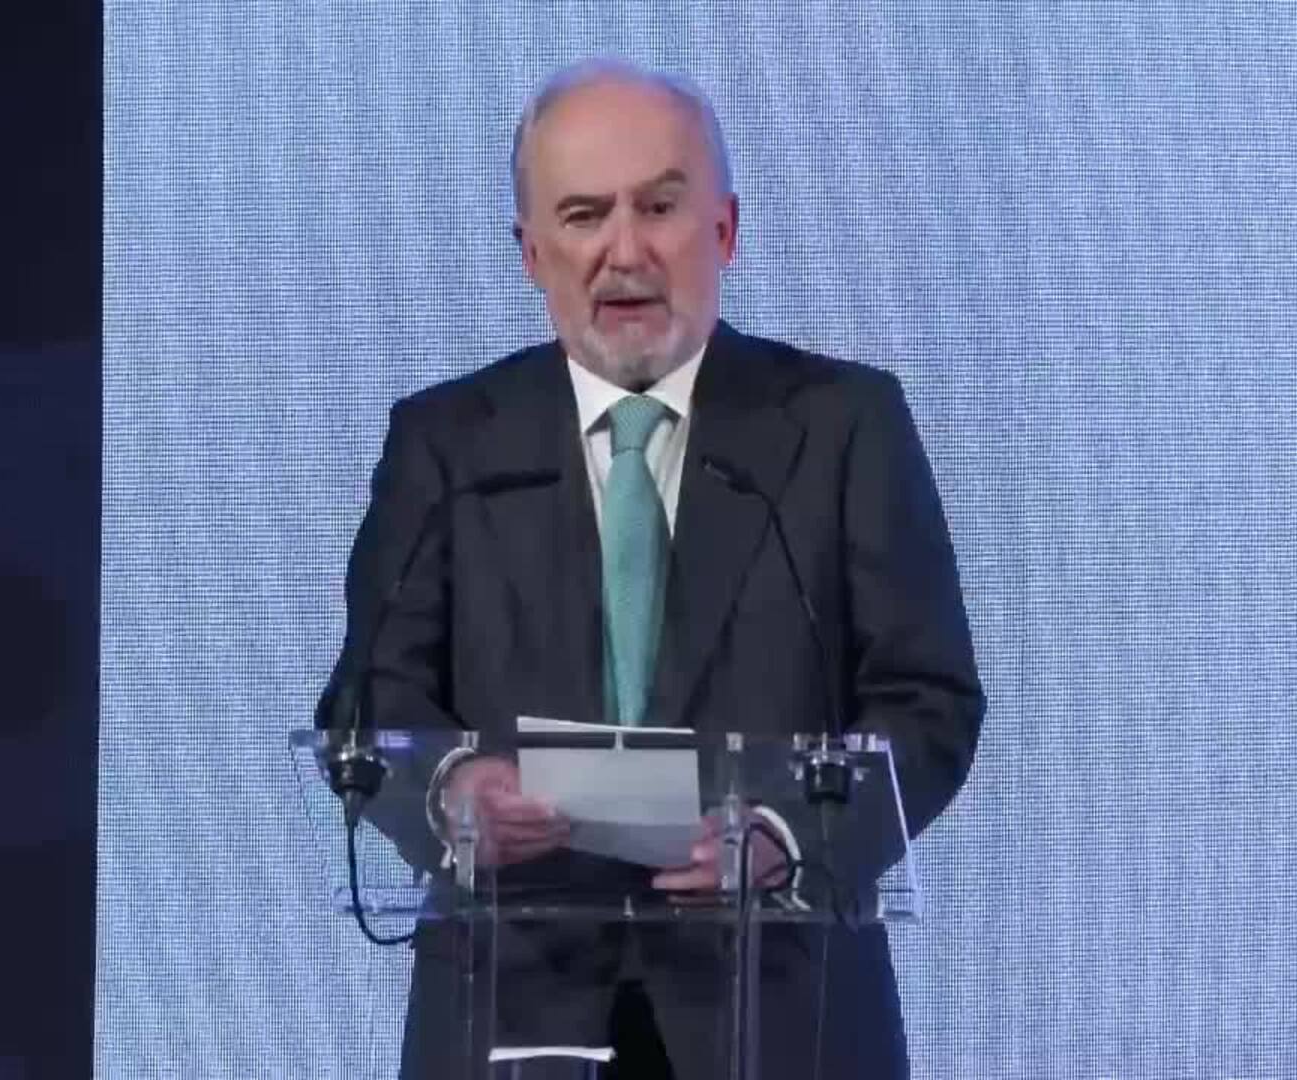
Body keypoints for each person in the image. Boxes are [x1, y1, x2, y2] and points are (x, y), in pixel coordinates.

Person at [316, 58, 984, 1080]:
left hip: (782, 1014)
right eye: (584, 215)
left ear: (724, 231)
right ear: (531, 252)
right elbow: (367, 706)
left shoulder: (842, 427)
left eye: (659, 208)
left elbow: (927, 702)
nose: (624, 251)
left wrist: (789, 831)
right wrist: (451, 791)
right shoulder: (447, 444)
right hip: (509, 1012)